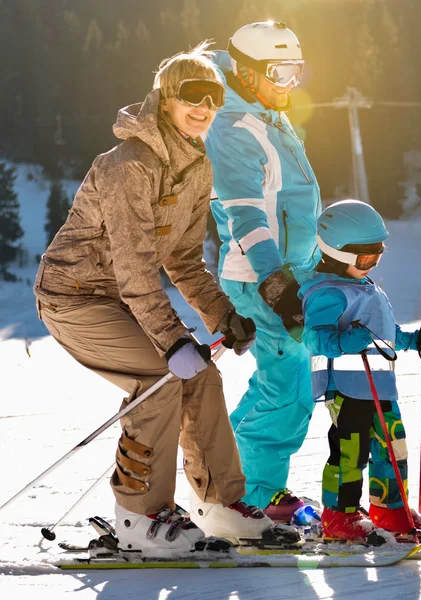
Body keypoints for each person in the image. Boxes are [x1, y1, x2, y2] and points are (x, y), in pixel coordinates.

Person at [33, 42, 275, 556]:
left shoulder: (197, 166)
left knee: (202, 373)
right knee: (160, 378)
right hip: (74, 297)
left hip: (123, 297)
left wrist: (223, 315)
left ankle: (220, 506)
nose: (205, 106)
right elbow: (134, 265)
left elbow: (184, 261)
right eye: (193, 94)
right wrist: (170, 342)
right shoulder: (128, 163)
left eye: (214, 95)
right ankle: (139, 518)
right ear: (166, 98)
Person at [204, 21, 321, 520]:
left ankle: (247, 488)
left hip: (288, 272)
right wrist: (276, 282)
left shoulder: (264, 111)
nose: (289, 82)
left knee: (286, 387)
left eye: (296, 71)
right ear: (247, 73)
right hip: (258, 277)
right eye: (279, 72)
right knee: (287, 391)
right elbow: (245, 215)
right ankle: (245, 497)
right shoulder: (234, 128)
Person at [299, 200, 421, 542]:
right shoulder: (327, 293)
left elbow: (386, 334)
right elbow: (315, 339)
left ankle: (390, 509)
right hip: (348, 390)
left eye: (377, 257)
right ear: (335, 253)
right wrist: (346, 341)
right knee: (352, 452)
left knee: (393, 448)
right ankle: (339, 517)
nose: (372, 265)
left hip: (379, 386)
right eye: (365, 259)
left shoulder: (366, 288)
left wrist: (415, 340)